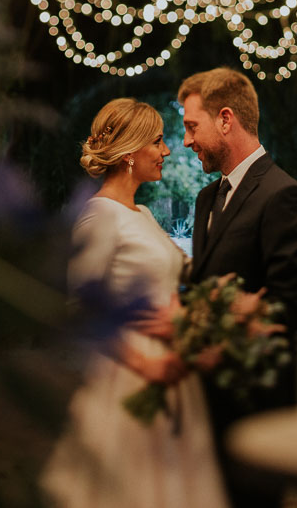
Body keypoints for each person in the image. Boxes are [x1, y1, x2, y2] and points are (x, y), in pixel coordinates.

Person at [41, 97, 229, 508]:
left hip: (171, 371)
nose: (166, 151)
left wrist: (194, 337)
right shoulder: (98, 215)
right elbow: (81, 310)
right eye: (158, 142)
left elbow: (166, 290)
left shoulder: (142, 213)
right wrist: (146, 364)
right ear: (130, 153)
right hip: (127, 375)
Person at [178, 67, 297, 508]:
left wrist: (232, 312)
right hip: (204, 401)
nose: (186, 141)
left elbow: (289, 309)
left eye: (190, 126)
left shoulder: (283, 195)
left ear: (225, 120)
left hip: (254, 406)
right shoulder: (206, 199)